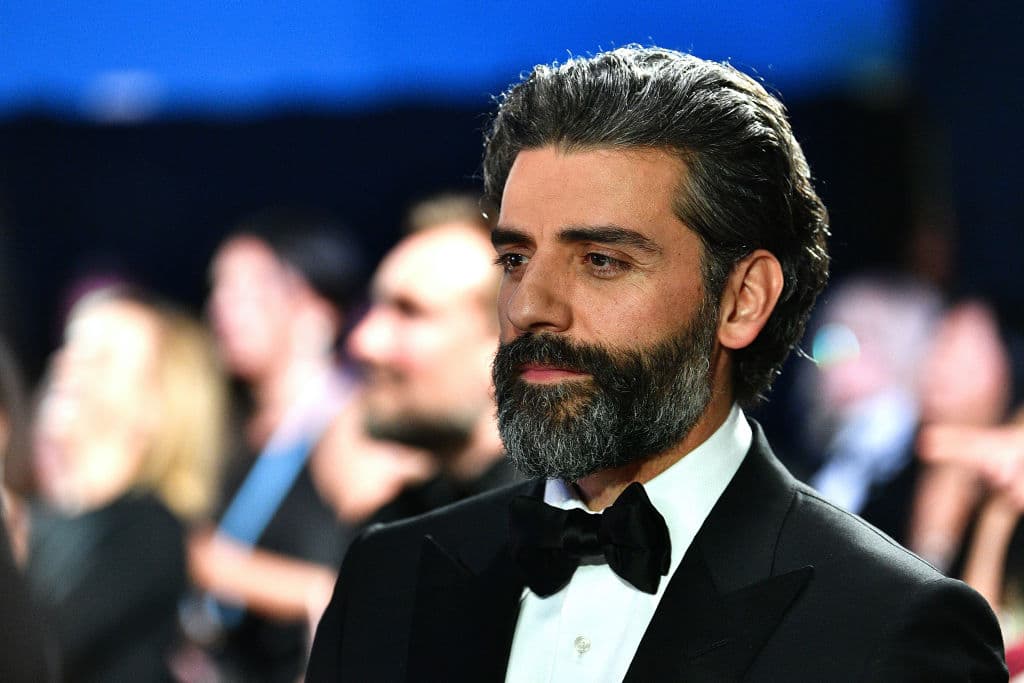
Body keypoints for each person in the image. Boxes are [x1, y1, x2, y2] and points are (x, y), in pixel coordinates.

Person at [308, 46, 1005, 681]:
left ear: (742, 299)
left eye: (602, 261)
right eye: (517, 258)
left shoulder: (886, 626)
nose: (528, 306)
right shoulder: (389, 577)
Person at [195, 211, 430, 682]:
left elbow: (380, 579)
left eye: (247, 290)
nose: (222, 308)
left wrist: (212, 566)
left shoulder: (348, 422)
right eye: (218, 288)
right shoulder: (235, 428)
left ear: (314, 309)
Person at [27, 287, 226, 682]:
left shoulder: (151, 533)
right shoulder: (41, 519)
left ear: (157, 404)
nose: (66, 365)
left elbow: (41, 650)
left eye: (100, 359)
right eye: (71, 347)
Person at [346, 193, 519, 520]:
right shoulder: (394, 529)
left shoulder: (565, 532)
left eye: (409, 312)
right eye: (373, 309)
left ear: (506, 345)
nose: (362, 342)